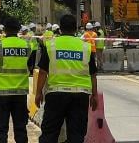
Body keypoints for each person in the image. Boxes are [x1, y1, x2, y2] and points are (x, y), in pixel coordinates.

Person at [35, 14, 98, 143]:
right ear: (75, 29)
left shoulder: (51, 45)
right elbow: (93, 74)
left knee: (49, 133)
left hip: (56, 94)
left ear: (60, 29)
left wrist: (38, 92)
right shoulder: (85, 47)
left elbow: (42, 72)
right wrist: (95, 95)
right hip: (80, 95)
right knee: (76, 134)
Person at [0, 16, 31, 143]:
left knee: (1, 129)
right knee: (21, 128)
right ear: (18, 29)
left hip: (2, 93)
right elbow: (30, 66)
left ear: (4, 30)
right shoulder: (27, 45)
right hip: (20, 93)